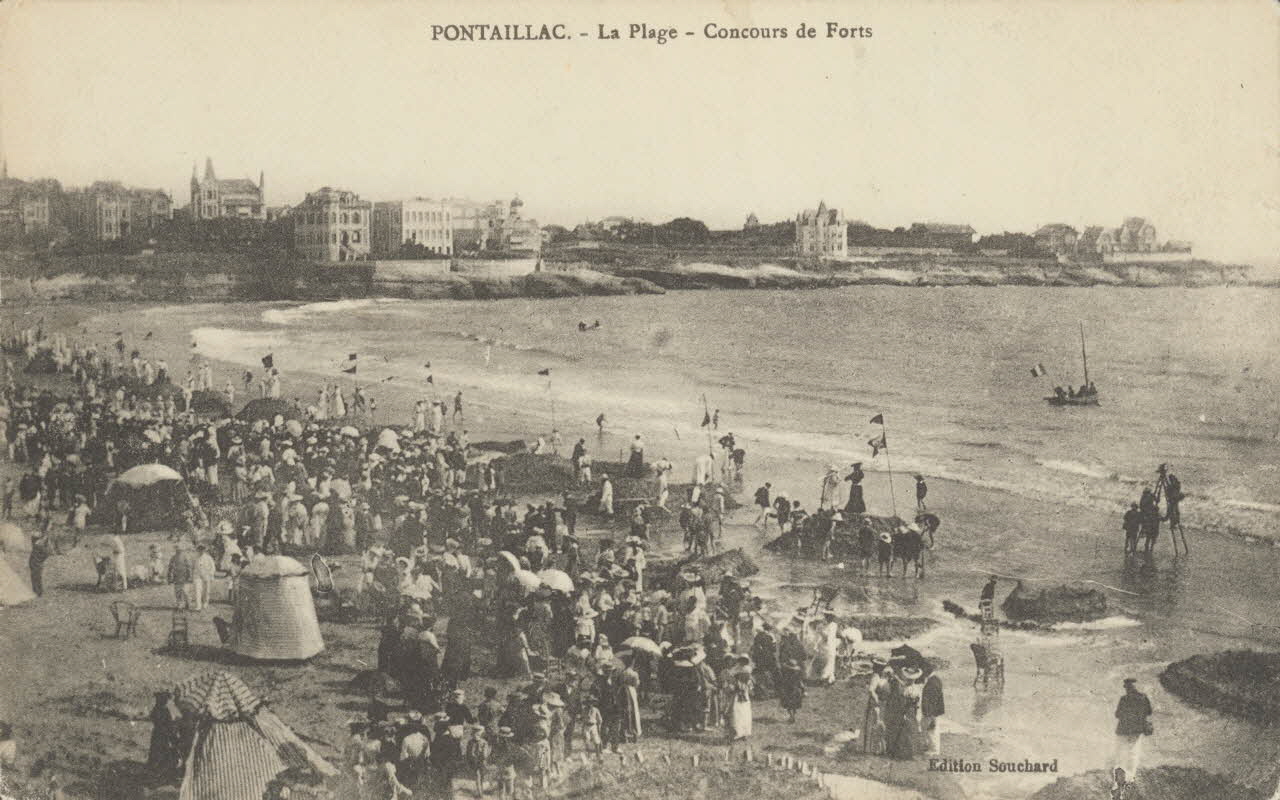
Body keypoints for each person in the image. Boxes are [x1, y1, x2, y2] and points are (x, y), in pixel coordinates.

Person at [1113, 678, 1152, 781]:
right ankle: (1131, 775)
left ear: (1127, 688)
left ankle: (1120, 774)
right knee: (1133, 751)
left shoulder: (1123, 699)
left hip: (1123, 729)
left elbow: (1117, 714)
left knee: (1121, 751)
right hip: (1136, 729)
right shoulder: (1143, 698)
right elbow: (1149, 712)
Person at [147, 691, 182, 782]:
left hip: (157, 734)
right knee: (164, 753)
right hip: (164, 735)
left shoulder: (156, 709)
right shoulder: (164, 710)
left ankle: (155, 772)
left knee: (156, 753)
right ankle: (162, 774)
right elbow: (168, 724)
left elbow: (153, 719)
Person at [920, 669, 945, 756]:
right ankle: (930, 747)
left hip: (930, 712)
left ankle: (933, 750)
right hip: (933, 711)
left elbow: (932, 701)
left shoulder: (932, 683)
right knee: (930, 729)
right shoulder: (936, 680)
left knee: (931, 730)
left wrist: (930, 715)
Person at [778, 658, 805, 723]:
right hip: (796, 692)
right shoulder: (798, 675)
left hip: (788, 692)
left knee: (789, 706)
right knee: (794, 705)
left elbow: (782, 685)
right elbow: (801, 684)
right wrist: (803, 691)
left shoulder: (786, 677)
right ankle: (793, 716)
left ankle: (791, 716)